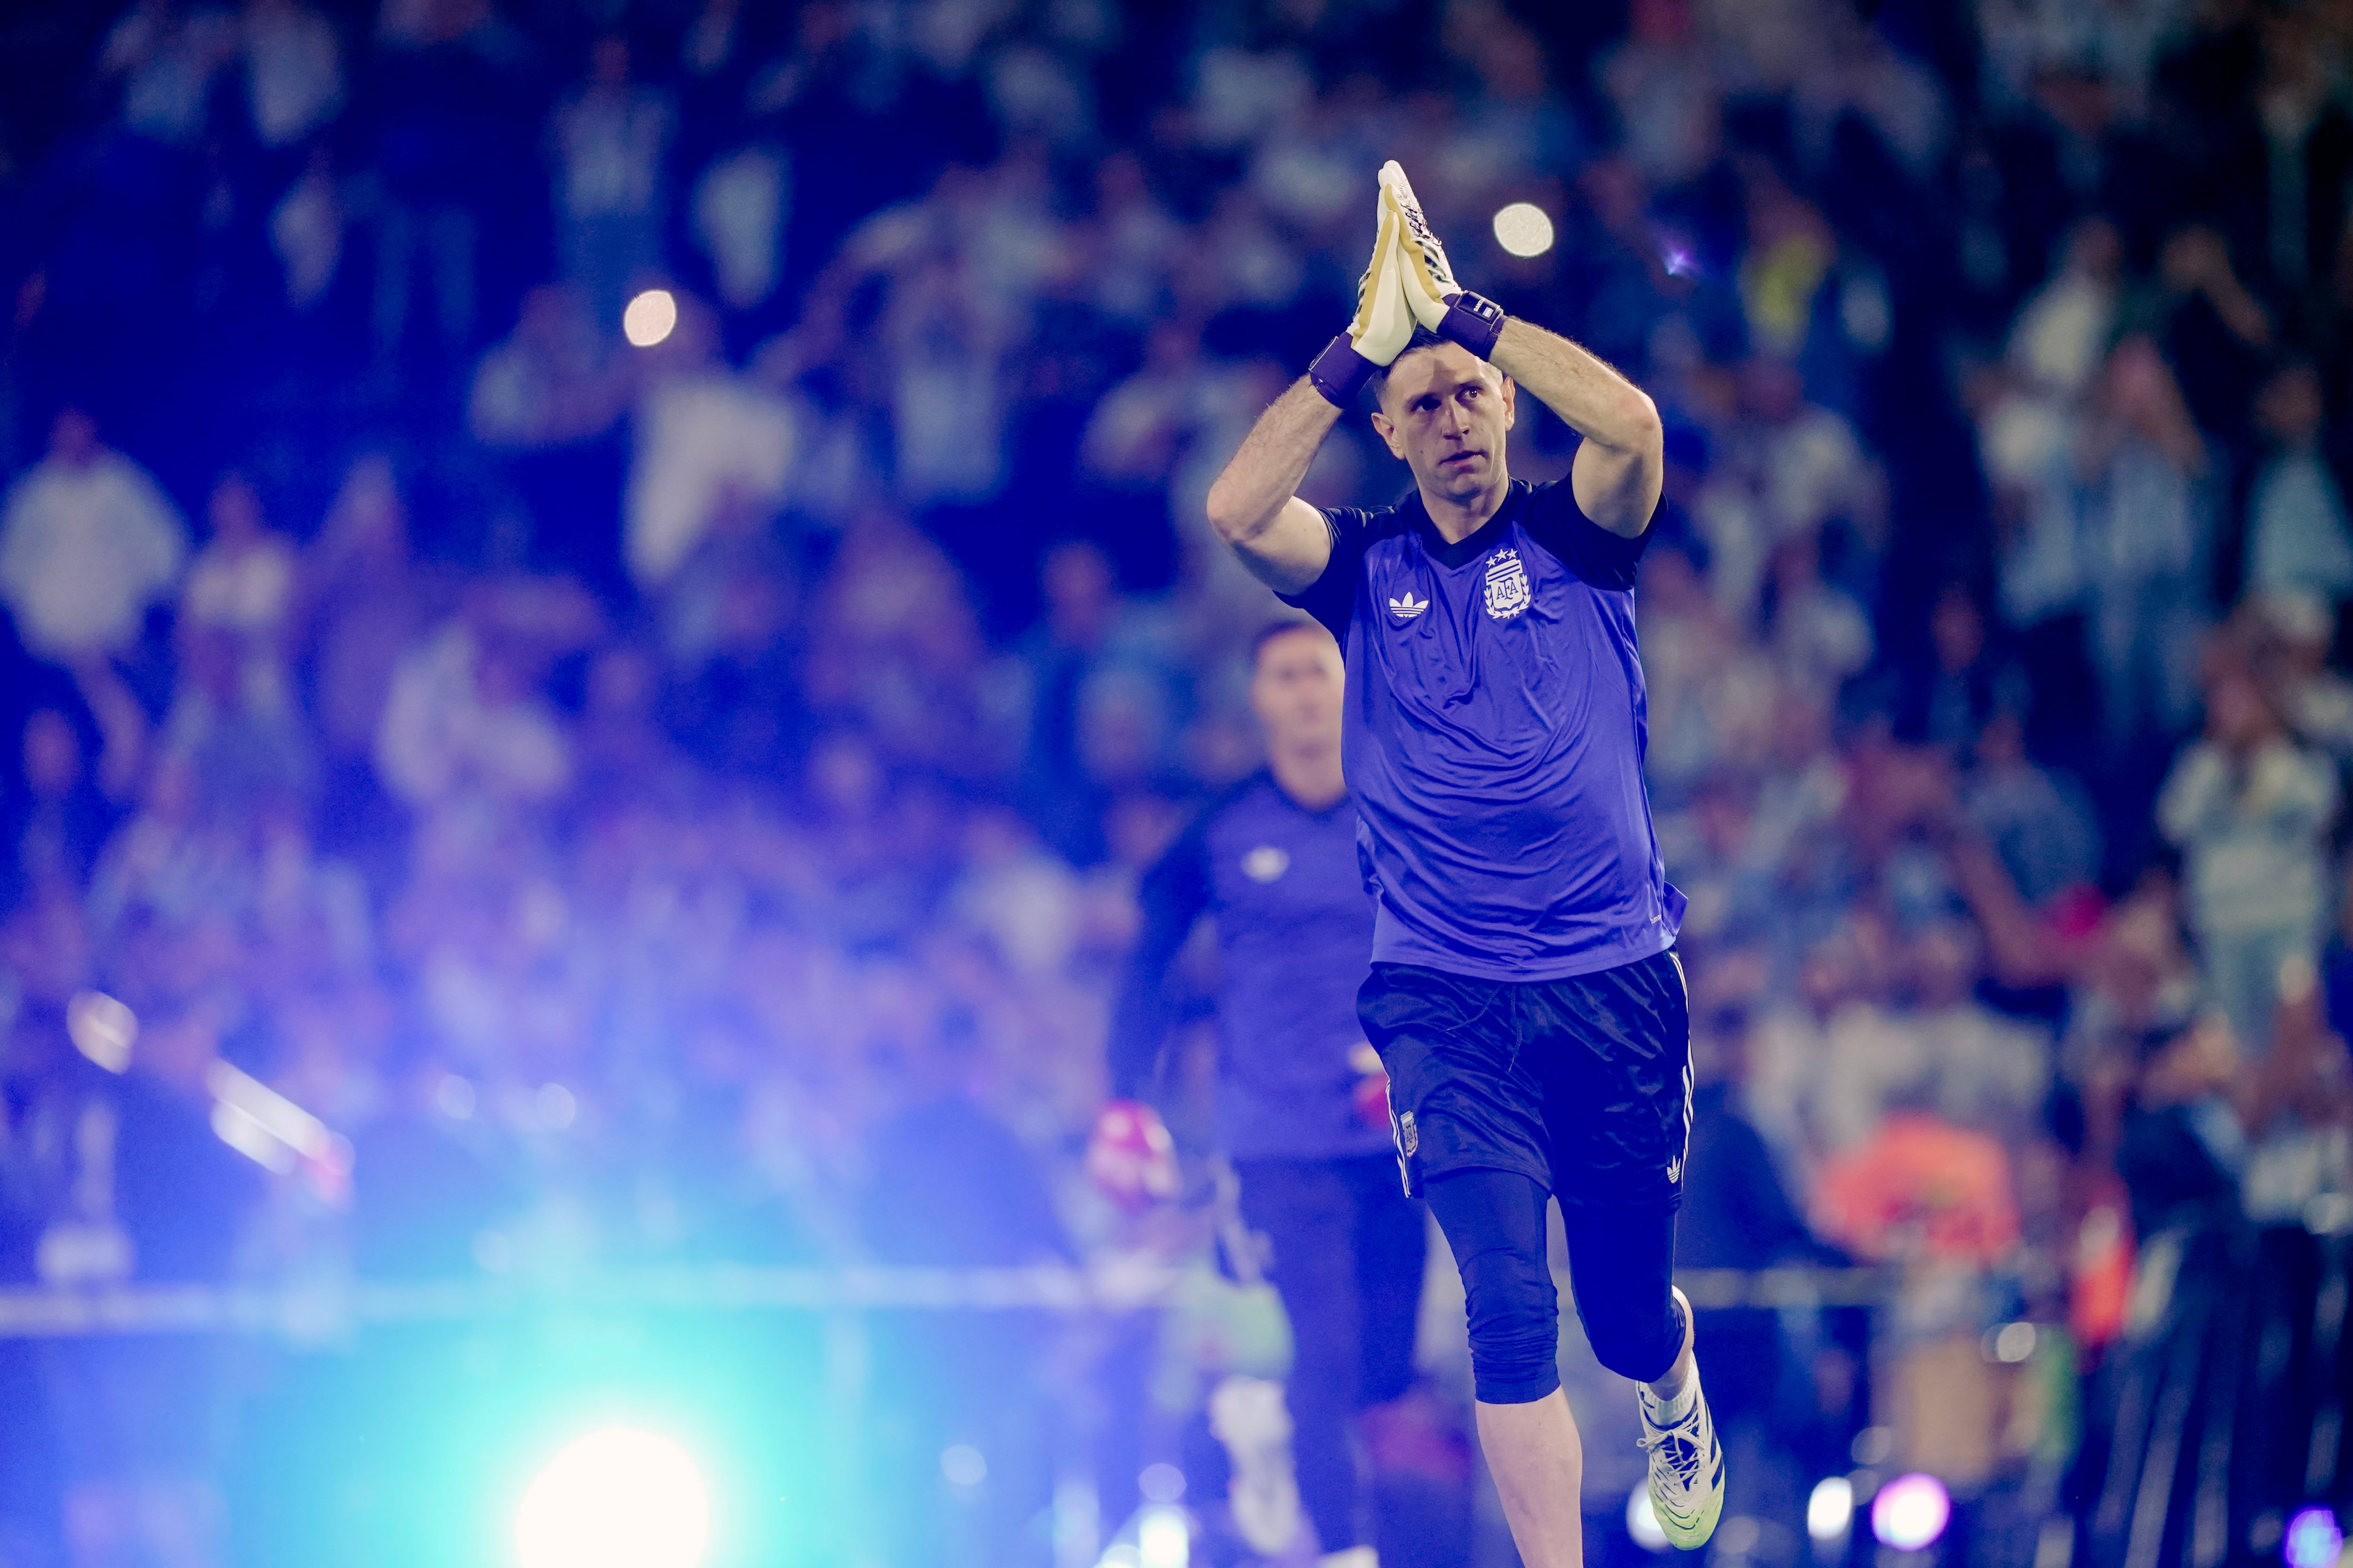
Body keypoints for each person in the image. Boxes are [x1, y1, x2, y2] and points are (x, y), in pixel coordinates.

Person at [1197, 163, 1722, 1561]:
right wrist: (1349, 355)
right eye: (1420, 404)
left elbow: (1636, 422)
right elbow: (1238, 509)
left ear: (1504, 406)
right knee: (1504, 1297)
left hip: (1614, 975)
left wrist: (1474, 323)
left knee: (1618, 1303)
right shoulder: (1361, 569)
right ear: (1391, 432)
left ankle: (1669, 1380)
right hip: (1445, 994)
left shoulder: (1577, 533)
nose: (1453, 420)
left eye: (1469, 396)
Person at [1096, 618, 1419, 1568]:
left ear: (1347, 686)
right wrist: (1127, 1099)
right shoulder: (1221, 825)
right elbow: (1149, 960)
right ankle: (1345, 1551)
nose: (1306, 692)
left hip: (1397, 1132)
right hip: (1275, 1135)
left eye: (1319, 672)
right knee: (1322, 1346)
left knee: (1387, 1363)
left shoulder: (1404, 807)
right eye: (1284, 675)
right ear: (1260, 697)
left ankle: (1277, 1436)